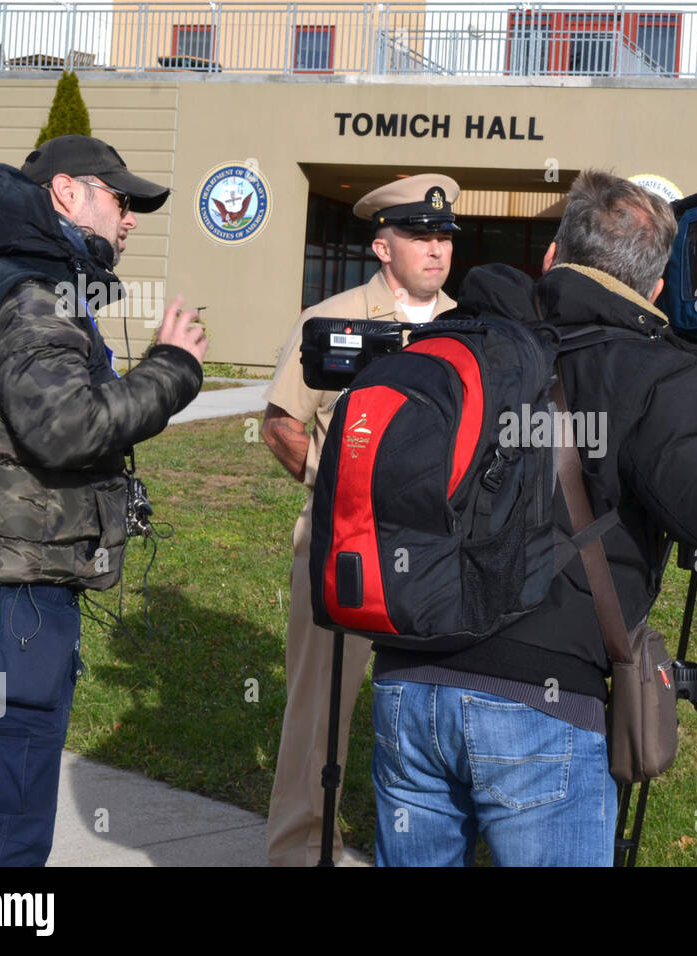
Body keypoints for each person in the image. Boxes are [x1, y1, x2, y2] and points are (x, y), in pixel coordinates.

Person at [369, 169, 697, 867]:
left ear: (552, 258)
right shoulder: (651, 370)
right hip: (538, 700)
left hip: (407, 680)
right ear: (654, 290)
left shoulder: (465, 334)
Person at [0, 134, 207, 866]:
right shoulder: (32, 295)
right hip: (13, 594)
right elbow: (65, 429)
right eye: (121, 199)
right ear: (68, 193)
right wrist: (173, 370)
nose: (130, 217)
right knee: (4, 824)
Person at [263, 174, 459, 866]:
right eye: (419, 236)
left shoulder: (468, 326)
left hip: (440, 550)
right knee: (321, 705)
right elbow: (281, 424)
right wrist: (340, 484)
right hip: (346, 541)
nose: (436, 250)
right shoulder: (334, 319)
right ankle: (299, 848)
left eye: (443, 237)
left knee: (435, 705)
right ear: (383, 245)